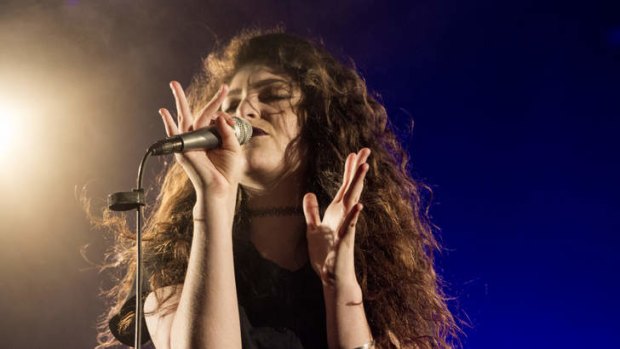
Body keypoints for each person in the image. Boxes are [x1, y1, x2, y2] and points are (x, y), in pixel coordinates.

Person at [96, 29, 458, 349]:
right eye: (231, 104)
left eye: (272, 95)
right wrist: (214, 201)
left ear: (315, 122)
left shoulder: (360, 247)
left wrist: (340, 287)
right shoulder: (175, 249)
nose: (244, 110)